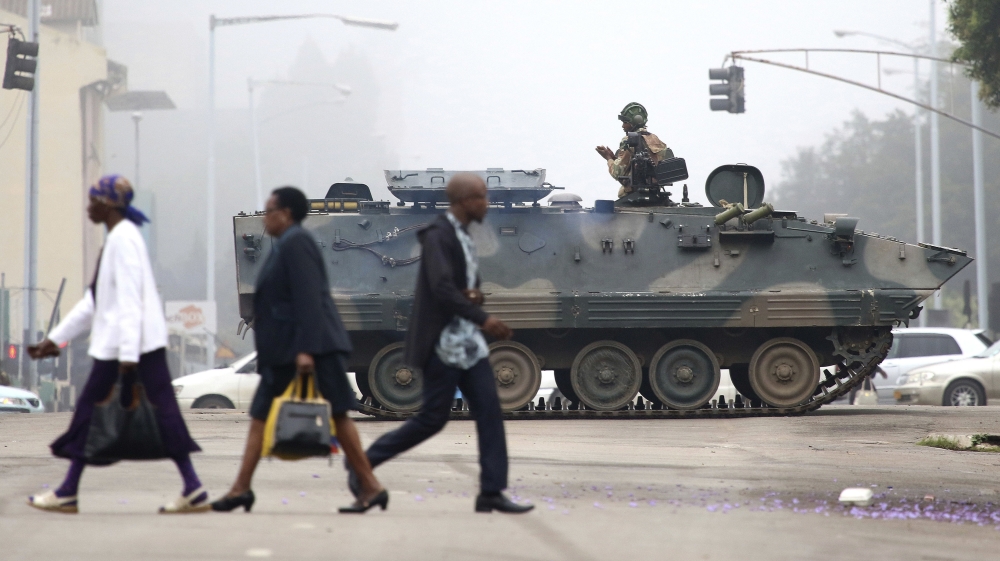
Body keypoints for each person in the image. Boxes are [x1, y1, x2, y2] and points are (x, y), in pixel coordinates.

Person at [348, 173, 533, 514]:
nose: (487, 204)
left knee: (490, 413)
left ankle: (491, 492)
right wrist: (485, 319)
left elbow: (456, 287)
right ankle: (361, 465)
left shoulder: (461, 235)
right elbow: (442, 288)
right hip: (443, 343)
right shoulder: (438, 236)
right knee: (432, 420)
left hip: (467, 343)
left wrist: (473, 297)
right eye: (481, 197)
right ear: (464, 202)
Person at [26, 175, 209, 514]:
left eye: (92, 199)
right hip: (136, 346)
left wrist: (127, 357)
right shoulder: (119, 239)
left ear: (108, 204)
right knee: (164, 412)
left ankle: (68, 491)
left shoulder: (123, 240)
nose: (87, 206)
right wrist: (55, 339)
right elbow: (95, 302)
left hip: (126, 349)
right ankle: (193, 487)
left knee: (89, 412)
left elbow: (128, 301)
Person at [211, 186, 386, 514]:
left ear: (286, 213)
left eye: (270, 210)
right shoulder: (287, 245)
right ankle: (241, 489)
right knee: (263, 416)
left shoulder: (298, 243)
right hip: (290, 351)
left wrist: (306, 350)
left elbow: (309, 297)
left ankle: (371, 486)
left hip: (308, 351)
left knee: (333, 415)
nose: (265, 217)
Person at [595, 102, 674, 198]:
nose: (623, 126)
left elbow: (617, 172)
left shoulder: (629, 140)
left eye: (625, 122)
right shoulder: (656, 140)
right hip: (656, 194)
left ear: (634, 122)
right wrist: (614, 157)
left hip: (634, 195)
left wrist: (608, 158)